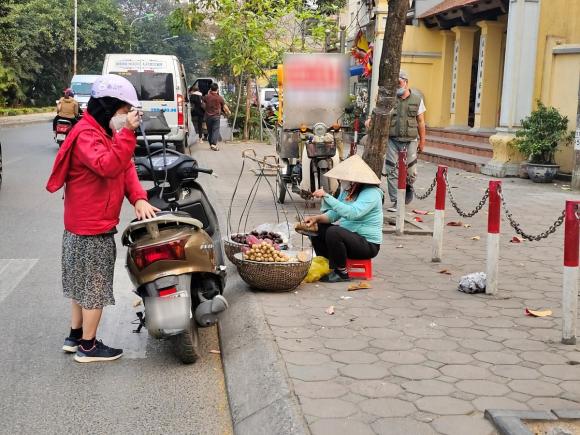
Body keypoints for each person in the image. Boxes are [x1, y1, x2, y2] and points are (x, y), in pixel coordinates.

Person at [46, 74, 159, 363]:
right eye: (124, 111)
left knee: (80, 285)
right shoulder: (87, 134)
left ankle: (75, 336)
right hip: (90, 227)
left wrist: (138, 198)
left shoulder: (103, 132)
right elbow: (109, 166)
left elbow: (125, 168)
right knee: (93, 286)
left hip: (85, 224)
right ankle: (88, 346)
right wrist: (129, 135)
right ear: (109, 109)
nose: (127, 118)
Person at [302, 155, 383, 283]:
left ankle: (341, 272)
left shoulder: (371, 193)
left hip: (367, 244)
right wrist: (316, 219)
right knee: (317, 229)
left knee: (334, 232)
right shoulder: (347, 191)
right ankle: (327, 265)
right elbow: (334, 214)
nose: (341, 180)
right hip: (350, 238)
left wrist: (327, 197)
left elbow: (353, 213)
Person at [365, 70, 426, 212]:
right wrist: (370, 120)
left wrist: (422, 142)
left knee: (411, 171)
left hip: (410, 140)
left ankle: (408, 186)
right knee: (391, 170)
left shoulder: (417, 99)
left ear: (406, 82)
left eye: (399, 83)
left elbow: (421, 122)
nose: (397, 86)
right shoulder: (389, 100)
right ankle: (396, 201)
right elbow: (376, 113)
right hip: (392, 139)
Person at [203, 83, 231, 151]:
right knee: (215, 130)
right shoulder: (219, 97)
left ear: (210, 89)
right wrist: (228, 112)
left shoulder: (207, 96)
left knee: (210, 131)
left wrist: (208, 93)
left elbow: (203, 103)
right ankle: (213, 145)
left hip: (208, 117)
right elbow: (224, 106)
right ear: (217, 89)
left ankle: (211, 144)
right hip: (216, 116)